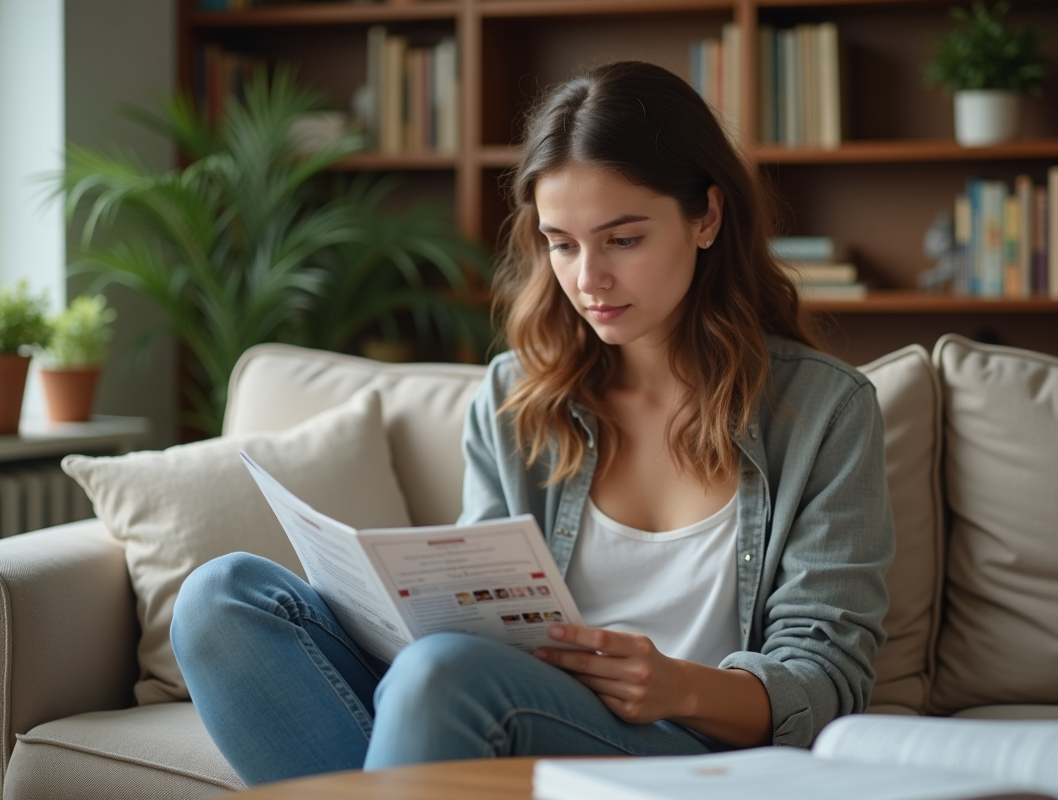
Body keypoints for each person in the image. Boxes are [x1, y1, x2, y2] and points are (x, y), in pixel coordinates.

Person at [171, 60, 894, 787]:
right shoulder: (516, 395)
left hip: (685, 751)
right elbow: (475, 619)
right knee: (221, 598)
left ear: (705, 216)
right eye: (562, 243)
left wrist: (679, 686)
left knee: (445, 675)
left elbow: (825, 679)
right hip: (496, 708)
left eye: (623, 240)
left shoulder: (824, 411)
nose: (588, 279)